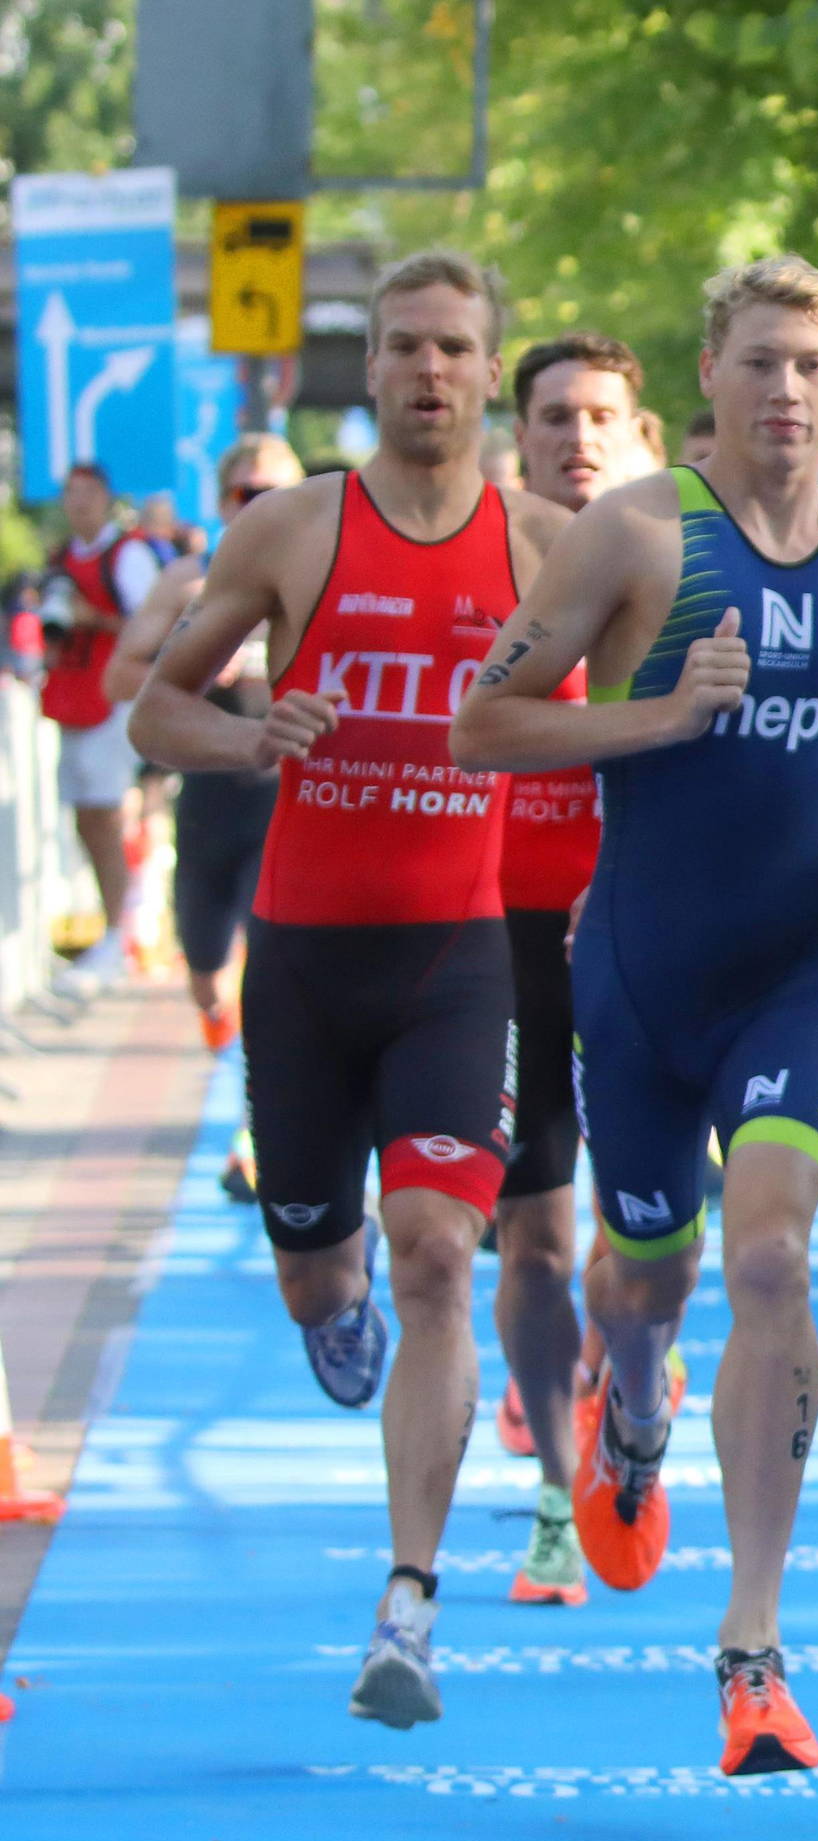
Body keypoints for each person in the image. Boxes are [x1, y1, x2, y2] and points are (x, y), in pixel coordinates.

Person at [452, 254, 818, 1776]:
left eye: (812, 364)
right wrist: (664, 715)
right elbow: (484, 721)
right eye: (760, 363)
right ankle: (630, 1414)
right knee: (649, 1281)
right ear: (712, 378)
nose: (787, 392)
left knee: (770, 1254)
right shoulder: (636, 533)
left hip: (795, 965)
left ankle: (752, 1650)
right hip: (634, 971)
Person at [129, 251, 566, 1731]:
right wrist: (252, 738)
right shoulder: (295, 530)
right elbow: (156, 706)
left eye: (453, 347)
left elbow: (631, 713)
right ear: (368, 371)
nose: (428, 371)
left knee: (443, 1246)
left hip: (458, 956)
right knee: (326, 1272)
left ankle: (410, 1601)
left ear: (485, 370)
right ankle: (333, 1296)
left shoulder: (551, 546)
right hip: (305, 963)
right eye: (402, 348)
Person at [486, 329, 668, 1608]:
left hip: (660, 933)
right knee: (535, 1244)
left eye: (600, 414)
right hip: (506, 934)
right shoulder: (483, 558)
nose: (577, 437)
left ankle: (624, 1379)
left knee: (643, 1246)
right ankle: (558, 1490)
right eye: (555, 416)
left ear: (637, 432)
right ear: (523, 436)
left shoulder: (683, 562)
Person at [105, 433, 310, 1058]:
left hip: (285, 795)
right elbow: (119, 678)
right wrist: (184, 665)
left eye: (274, 494)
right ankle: (224, 1043)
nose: (258, 506)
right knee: (204, 970)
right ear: (223, 501)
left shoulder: (322, 578)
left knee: (267, 963)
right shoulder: (190, 580)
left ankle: (248, 1112)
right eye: (245, 494)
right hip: (208, 794)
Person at [42, 461, 166, 993]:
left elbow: (153, 626)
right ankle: (112, 926)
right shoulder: (61, 559)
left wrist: (94, 620)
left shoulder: (129, 554)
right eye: (71, 493)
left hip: (112, 699)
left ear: (105, 498)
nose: (79, 503)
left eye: (89, 493)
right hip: (72, 694)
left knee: (111, 813)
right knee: (86, 817)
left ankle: (122, 932)